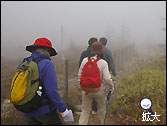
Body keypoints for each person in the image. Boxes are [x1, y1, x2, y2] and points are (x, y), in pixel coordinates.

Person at [17, 37, 71, 125]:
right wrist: (63, 109)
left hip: (26, 108)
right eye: (49, 51)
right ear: (46, 49)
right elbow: (52, 91)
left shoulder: (23, 62)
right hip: (44, 110)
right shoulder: (47, 63)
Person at [78, 42, 114, 125]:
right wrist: (111, 87)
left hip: (86, 90)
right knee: (102, 109)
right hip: (99, 90)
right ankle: (102, 123)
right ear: (102, 51)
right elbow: (107, 78)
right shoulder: (103, 63)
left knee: (85, 111)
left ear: (92, 50)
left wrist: (81, 85)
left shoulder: (85, 60)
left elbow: (79, 75)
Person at [91, 37, 117, 114]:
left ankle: (94, 108)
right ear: (105, 43)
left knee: (94, 88)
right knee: (102, 89)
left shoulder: (93, 50)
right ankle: (101, 108)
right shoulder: (107, 51)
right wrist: (114, 72)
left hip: (93, 72)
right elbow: (111, 62)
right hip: (104, 72)